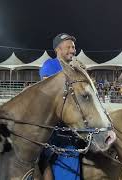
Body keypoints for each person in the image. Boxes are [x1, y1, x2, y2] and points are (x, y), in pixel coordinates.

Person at [39, 33, 81, 180]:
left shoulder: (74, 67)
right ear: (58, 49)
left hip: (71, 128)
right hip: (55, 130)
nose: (73, 50)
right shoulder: (50, 65)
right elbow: (50, 93)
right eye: (68, 46)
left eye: (74, 47)